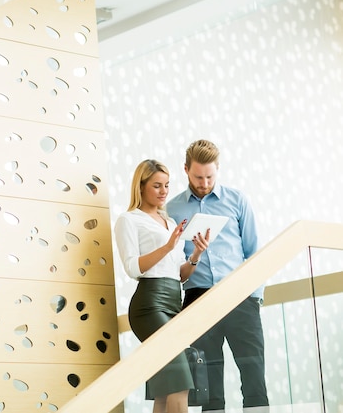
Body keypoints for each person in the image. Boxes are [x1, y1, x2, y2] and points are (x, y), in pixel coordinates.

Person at [166, 139, 269, 412]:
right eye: (198, 176)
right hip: (198, 298)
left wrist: (254, 298)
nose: (204, 182)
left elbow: (253, 251)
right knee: (208, 382)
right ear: (186, 170)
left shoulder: (237, 201)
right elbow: (171, 263)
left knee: (254, 373)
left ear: (218, 169)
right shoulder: (173, 210)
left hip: (239, 295)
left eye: (210, 176)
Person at [114, 159, 209, 413]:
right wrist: (167, 246)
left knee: (165, 391)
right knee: (180, 384)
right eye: (157, 185)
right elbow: (133, 267)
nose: (164, 191)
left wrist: (196, 255)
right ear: (141, 186)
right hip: (149, 305)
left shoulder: (168, 221)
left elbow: (179, 275)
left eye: (167, 185)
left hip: (172, 302)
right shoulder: (129, 220)